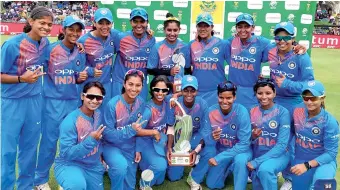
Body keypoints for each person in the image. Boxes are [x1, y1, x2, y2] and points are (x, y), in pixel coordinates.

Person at [0, 6, 53, 190]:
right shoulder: (12, 44)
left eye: (49, 24)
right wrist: (22, 78)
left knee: (30, 149)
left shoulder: (45, 44)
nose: (46, 27)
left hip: (35, 102)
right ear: (31, 21)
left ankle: (25, 186)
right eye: (42, 23)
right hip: (12, 103)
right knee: (7, 151)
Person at [34, 15, 88, 189]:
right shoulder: (50, 50)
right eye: (70, 29)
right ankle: (40, 180)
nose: (74, 33)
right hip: (53, 104)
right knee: (49, 143)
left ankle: (66, 178)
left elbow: (77, 77)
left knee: (71, 143)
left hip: (73, 103)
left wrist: (80, 77)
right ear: (63, 30)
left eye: (78, 29)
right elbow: (34, 67)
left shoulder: (80, 51)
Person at [263, 21, 315, 190]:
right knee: (275, 139)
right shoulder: (271, 50)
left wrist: (288, 84)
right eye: (278, 37)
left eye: (286, 37)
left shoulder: (301, 55)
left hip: (295, 104)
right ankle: (278, 168)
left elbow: (310, 84)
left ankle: (291, 179)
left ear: (293, 38)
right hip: (276, 103)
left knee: (292, 143)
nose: (281, 41)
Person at [227, 14, 306, 111]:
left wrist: (296, 45)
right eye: (240, 27)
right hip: (232, 92)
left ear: (253, 28)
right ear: (236, 28)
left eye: (247, 26)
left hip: (251, 94)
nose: (243, 30)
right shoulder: (230, 42)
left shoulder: (262, 42)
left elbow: (281, 45)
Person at [187, 81, 252, 190]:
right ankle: (225, 169)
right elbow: (205, 139)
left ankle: (239, 170)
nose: (225, 101)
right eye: (221, 97)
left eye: (229, 98)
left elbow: (244, 144)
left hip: (239, 152)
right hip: (221, 151)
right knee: (213, 184)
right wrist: (211, 137)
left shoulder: (241, 112)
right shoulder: (211, 111)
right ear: (217, 96)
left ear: (234, 97)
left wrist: (219, 158)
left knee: (240, 159)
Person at [54, 81, 106, 190]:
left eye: (99, 98)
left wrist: (100, 156)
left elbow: (100, 140)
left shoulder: (99, 115)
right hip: (70, 164)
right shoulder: (70, 121)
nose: (94, 101)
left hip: (92, 165)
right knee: (77, 186)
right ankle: (69, 180)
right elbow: (67, 154)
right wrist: (91, 140)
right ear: (82, 96)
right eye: (90, 96)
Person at [290, 80, 339, 190]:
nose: (309, 102)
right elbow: (290, 131)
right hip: (300, 159)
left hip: (324, 162)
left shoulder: (329, 122)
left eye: (313, 98)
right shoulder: (297, 110)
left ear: (322, 98)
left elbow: (331, 153)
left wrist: (307, 165)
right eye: (306, 98)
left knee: (321, 184)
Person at [102, 69, 146, 190]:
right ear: (124, 84)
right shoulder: (112, 104)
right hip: (111, 146)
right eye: (130, 84)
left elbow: (140, 129)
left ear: (142, 86)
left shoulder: (141, 103)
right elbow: (107, 134)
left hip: (130, 146)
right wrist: (129, 130)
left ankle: (112, 167)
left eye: (138, 85)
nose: (134, 89)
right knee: (120, 168)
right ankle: (110, 165)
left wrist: (138, 149)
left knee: (129, 186)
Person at [247, 78, 291, 190]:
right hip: (258, 153)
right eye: (260, 93)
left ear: (275, 93)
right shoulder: (251, 111)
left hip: (279, 155)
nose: (264, 97)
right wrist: (253, 136)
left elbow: (282, 145)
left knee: (265, 169)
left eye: (268, 93)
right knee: (258, 183)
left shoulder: (283, 112)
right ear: (255, 94)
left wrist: (256, 162)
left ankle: (272, 170)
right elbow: (246, 138)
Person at [136, 75, 176, 188]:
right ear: (152, 89)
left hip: (160, 142)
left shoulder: (168, 103)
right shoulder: (148, 109)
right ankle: (144, 185)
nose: (160, 93)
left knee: (160, 181)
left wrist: (169, 147)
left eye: (164, 90)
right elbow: (137, 131)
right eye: (157, 89)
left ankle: (146, 166)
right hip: (146, 143)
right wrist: (153, 132)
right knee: (160, 166)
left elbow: (170, 127)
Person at [166, 75, 208, 181]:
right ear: (182, 91)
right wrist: (169, 147)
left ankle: (197, 157)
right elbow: (170, 127)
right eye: (186, 90)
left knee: (207, 146)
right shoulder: (174, 102)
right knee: (173, 177)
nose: (189, 94)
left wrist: (197, 150)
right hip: (180, 137)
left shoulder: (202, 104)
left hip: (196, 136)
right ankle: (184, 156)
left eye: (192, 90)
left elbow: (206, 131)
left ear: (197, 91)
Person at [78, 8, 119, 111]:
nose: (104, 27)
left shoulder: (114, 36)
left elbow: (132, 34)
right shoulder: (83, 41)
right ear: (94, 23)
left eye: (108, 23)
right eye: (101, 23)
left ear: (112, 24)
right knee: (89, 116)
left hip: (106, 85)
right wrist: (91, 71)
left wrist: (147, 32)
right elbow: (76, 66)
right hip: (89, 85)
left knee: (105, 115)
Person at [112, 7, 155, 100]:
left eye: (142, 21)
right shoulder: (120, 37)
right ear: (130, 22)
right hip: (120, 84)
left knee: (138, 113)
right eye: (135, 21)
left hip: (140, 85)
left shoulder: (151, 39)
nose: (138, 25)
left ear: (147, 22)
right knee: (118, 112)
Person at [189, 13, 229, 106]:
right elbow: (186, 67)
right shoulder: (191, 45)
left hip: (217, 92)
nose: (203, 29)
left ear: (212, 27)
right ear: (196, 27)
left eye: (206, 25)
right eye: (200, 26)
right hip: (197, 92)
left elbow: (235, 64)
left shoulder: (223, 44)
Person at [147, 13, 190, 91]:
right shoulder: (157, 47)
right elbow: (150, 70)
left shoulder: (185, 47)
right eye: (169, 30)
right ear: (164, 30)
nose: (172, 33)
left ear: (179, 30)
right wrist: (169, 71)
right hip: (161, 91)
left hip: (179, 91)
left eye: (175, 30)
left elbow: (187, 69)